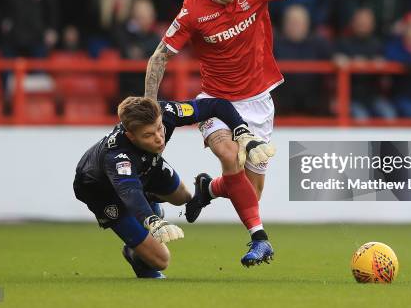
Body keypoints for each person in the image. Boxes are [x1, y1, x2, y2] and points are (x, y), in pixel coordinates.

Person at [143, 0, 394, 265]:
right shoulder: (192, 10)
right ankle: (259, 239)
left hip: (258, 102)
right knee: (228, 153)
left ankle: (209, 190)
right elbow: (159, 57)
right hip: (215, 102)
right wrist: (150, 110)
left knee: (250, 190)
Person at [73, 96, 274, 278]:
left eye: (160, 128)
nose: (159, 138)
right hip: (101, 190)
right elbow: (129, 192)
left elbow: (216, 105)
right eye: (148, 135)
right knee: (161, 260)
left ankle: (152, 206)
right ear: (131, 137)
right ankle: (135, 255)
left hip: (145, 165)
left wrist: (241, 129)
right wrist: (152, 221)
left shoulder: (165, 111)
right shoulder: (118, 157)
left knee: (183, 197)